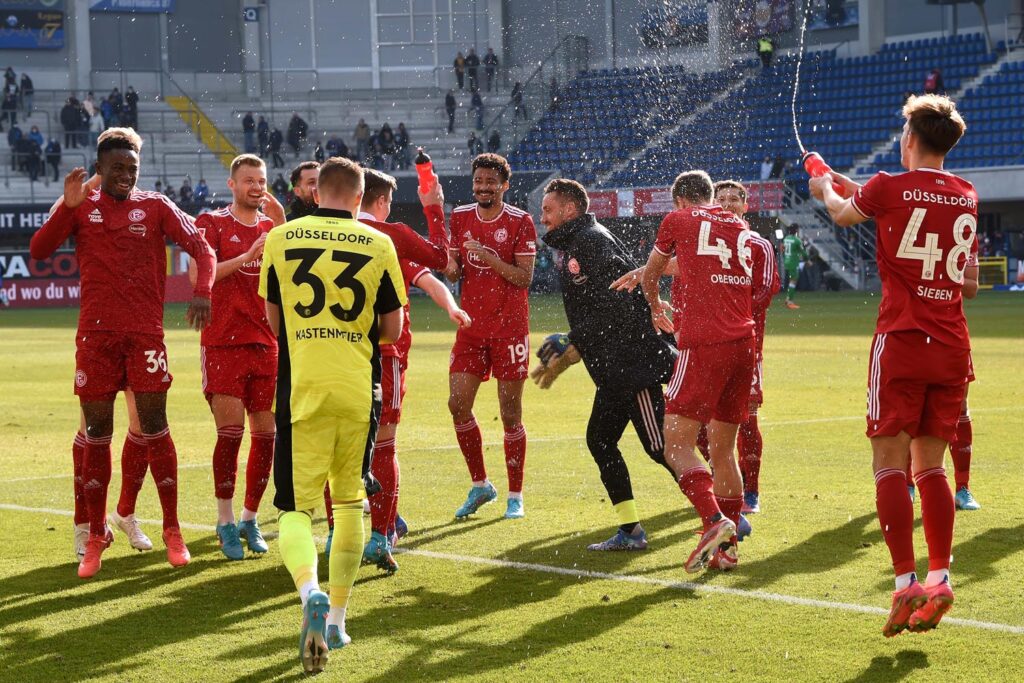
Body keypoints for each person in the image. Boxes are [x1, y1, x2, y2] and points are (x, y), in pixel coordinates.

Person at [809, 93, 978, 637]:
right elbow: (901, 199)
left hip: (902, 341)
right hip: (953, 345)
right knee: (931, 467)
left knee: (889, 465)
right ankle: (940, 578)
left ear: (909, 138)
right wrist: (841, 177)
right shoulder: (966, 194)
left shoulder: (889, 185)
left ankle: (904, 583)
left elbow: (842, 212)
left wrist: (823, 187)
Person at [29, 127, 216, 578]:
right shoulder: (79, 207)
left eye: (132, 168)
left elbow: (202, 249)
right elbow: (39, 251)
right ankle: (96, 534)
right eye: (118, 168)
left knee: (155, 428)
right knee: (98, 435)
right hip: (95, 339)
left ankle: (173, 528)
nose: (126, 176)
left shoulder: (155, 206)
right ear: (100, 168)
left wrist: (203, 291)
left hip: (145, 335)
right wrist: (65, 211)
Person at [258, 156, 407, 673]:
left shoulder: (282, 238)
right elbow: (391, 329)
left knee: (296, 509)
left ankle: (309, 595)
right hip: (356, 387)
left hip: (302, 388)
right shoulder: (379, 242)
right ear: (360, 195)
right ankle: (339, 621)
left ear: (316, 191)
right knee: (348, 505)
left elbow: (273, 321)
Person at [334, 168, 464, 573]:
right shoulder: (393, 236)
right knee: (384, 444)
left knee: (336, 445)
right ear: (382, 201)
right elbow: (447, 263)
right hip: (383, 354)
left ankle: (339, 532)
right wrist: (434, 208)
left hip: (332, 352)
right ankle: (379, 535)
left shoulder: (321, 233)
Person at [537, 178, 678, 550]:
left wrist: (572, 343)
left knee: (661, 447)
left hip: (633, 366)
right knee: (600, 440)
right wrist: (572, 342)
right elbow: (599, 309)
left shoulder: (591, 241)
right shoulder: (578, 244)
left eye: (548, 210)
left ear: (569, 210)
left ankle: (722, 511)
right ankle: (630, 530)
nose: (543, 217)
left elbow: (619, 305)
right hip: (615, 370)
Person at [639, 169, 756, 574]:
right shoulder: (737, 222)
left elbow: (652, 273)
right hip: (744, 344)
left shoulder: (679, 220)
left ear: (681, 202)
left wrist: (656, 306)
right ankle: (729, 550)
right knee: (724, 451)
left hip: (704, 343)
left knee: (676, 444)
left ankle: (713, 520)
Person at [188, 154, 286, 561]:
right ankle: (224, 520)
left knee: (267, 437)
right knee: (230, 434)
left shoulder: (271, 229)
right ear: (232, 185)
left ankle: (250, 517)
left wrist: (281, 226)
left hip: (266, 344)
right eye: (248, 180)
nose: (256, 186)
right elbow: (197, 278)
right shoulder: (209, 223)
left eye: (261, 180)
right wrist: (248, 256)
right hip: (223, 342)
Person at [445, 154, 537, 520]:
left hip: (509, 329)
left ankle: (516, 494)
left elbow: (524, 277)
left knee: (510, 413)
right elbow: (454, 272)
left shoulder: (520, 221)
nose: (483, 187)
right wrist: (447, 263)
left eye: (490, 182)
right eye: (479, 181)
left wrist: (486, 255)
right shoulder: (460, 217)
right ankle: (481, 484)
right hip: (471, 328)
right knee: (457, 404)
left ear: (504, 185)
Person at [713, 181, 779, 514]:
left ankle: (750, 491)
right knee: (695, 420)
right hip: (705, 348)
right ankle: (721, 478)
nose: (726, 204)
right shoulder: (705, 244)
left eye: (733, 200)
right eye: (720, 199)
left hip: (746, 348)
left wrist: (724, 314)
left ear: (745, 205)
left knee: (747, 419)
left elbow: (764, 293)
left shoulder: (759, 245)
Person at [782, 223, 806, 309]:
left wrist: (785, 257)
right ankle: (790, 301)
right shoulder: (797, 240)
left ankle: (788, 298)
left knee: (791, 280)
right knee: (793, 281)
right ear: (796, 230)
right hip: (793, 262)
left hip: (787, 261)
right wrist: (808, 260)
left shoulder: (786, 239)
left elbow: (782, 249)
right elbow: (804, 253)